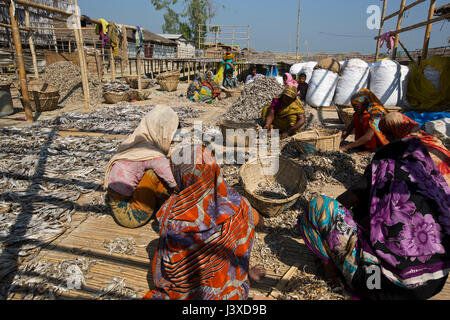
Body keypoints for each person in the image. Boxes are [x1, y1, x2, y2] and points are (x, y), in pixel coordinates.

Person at [298, 137, 450, 300]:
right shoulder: (435, 184)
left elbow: (339, 204)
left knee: (318, 206)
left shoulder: (387, 169)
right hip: (431, 286)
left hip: (378, 286)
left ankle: (332, 279)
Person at [144, 145, 266, 300]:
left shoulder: (172, 216)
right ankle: (240, 275)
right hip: (233, 292)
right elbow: (251, 230)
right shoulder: (240, 204)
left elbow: (172, 272)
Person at [104, 106, 180, 229]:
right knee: (154, 175)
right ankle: (173, 206)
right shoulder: (152, 155)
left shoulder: (134, 141)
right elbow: (173, 182)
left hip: (116, 204)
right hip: (132, 215)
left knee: (152, 172)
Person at [379, 112, 450, 186]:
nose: (386, 138)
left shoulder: (405, 147)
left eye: (389, 133)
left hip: (440, 190)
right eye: (384, 134)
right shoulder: (429, 139)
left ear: (397, 130)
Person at [341, 89, 389, 153]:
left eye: (356, 106)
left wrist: (346, 147)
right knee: (357, 116)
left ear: (364, 104)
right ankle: (361, 145)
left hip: (383, 141)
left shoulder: (377, 112)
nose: (354, 109)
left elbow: (368, 137)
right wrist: (339, 140)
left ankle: (372, 149)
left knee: (366, 118)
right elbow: (349, 129)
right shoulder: (360, 112)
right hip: (366, 138)